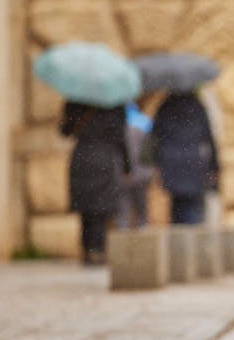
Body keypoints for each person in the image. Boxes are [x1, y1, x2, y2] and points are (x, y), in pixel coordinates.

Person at [60, 101, 129, 265]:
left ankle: (87, 248)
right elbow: (120, 137)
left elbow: (64, 131)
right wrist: (127, 165)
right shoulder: (115, 104)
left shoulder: (75, 102)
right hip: (104, 159)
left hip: (81, 157)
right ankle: (97, 249)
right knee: (101, 208)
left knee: (86, 208)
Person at [151, 91, 219, 225]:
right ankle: (191, 236)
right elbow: (208, 135)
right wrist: (214, 166)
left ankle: (178, 236)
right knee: (193, 203)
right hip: (193, 160)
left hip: (171, 161)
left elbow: (156, 135)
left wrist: (156, 161)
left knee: (177, 204)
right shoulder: (197, 105)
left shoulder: (166, 105)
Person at [117, 102, 154, 230]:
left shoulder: (116, 125)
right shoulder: (146, 123)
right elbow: (151, 150)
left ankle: (122, 234)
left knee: (123, 208)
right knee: (142, 208)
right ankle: (142, 231)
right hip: (142, 174)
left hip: (123, 174)